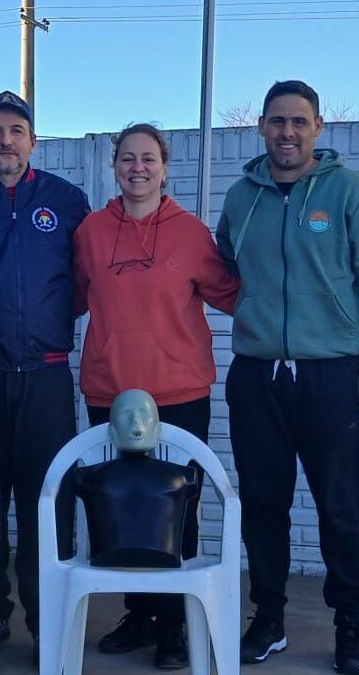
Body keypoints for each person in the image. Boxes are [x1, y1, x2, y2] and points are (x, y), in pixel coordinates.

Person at [216, 80, 359, 674]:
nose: (287, 132)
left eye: (299, 121)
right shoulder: (242, 197)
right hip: (257, 375)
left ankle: (350, 625)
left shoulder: (348, 191)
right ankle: (267, 619)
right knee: (264, 505)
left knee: (340, 507)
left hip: (331, 375)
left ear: (318, 127)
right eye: (276, 121)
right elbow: (222, 275)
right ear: (261, 127)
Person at [72, 123, 238, 670]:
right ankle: (138, 613)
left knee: (176, 510)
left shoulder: (191, 233)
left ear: (165, 167)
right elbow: (68, 298)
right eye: (127, 158)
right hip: (109, 392)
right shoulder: (91, 232)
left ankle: (174, 624)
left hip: (179, 392)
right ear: (113, 166)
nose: (137, 167)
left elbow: (232, 294)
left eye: (148, 158)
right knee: (118, 511)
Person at [0, 91, 90, 659]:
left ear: (33, 140)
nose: (5, 140)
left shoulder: (66, 199)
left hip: (46, 379)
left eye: (16, 130)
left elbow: (83, 282)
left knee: (46, 509)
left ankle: (46, 625)